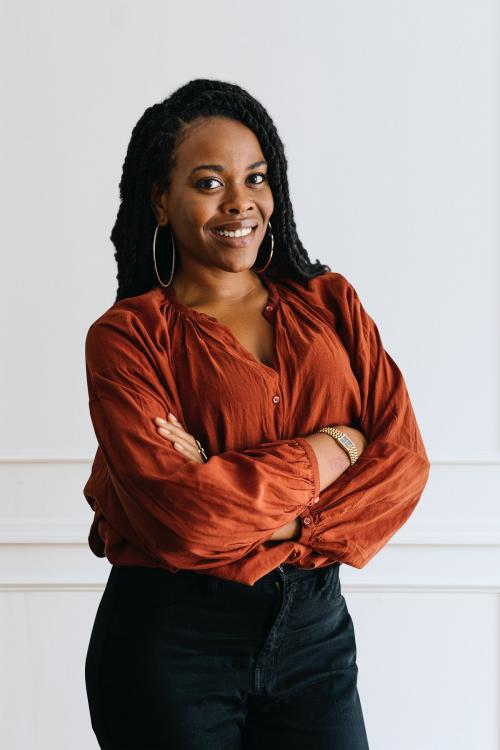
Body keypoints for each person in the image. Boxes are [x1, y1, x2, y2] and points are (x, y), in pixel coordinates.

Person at [83, 78, 430, 750]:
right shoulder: (127, 338)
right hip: (173, 644)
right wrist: (334, 449)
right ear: (161, 198)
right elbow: (185, 517)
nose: (241, 202)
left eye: (256, 177)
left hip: (316, 640)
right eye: (209, 182)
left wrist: (234, 484)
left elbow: (405, 466)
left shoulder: (331, 303)